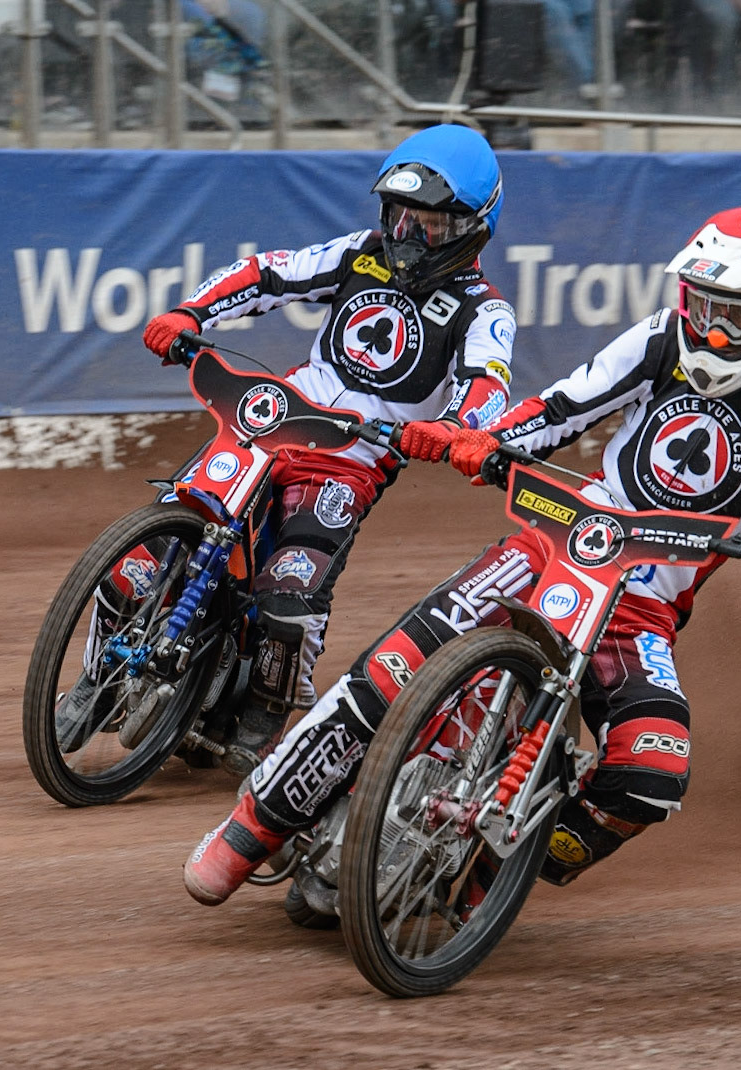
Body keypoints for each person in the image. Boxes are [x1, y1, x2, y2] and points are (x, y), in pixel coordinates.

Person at [182, 204, 741, 909]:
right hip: (554, 543)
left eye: (740, 319)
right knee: (394, 668)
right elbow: (562, 406)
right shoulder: (662, 338)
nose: (714, 332)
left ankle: (489, 875)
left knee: (651, 771)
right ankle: (252, 827)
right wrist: (489, 440)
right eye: (704, 305)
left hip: (640, 611)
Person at [135, 123, 517, 778]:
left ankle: (265, 712)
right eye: (400, 216)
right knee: (152, 545)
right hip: (275, 419)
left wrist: (454, 427)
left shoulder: (484, 308)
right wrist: (191, 313)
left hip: (353, 457)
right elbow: (269, 273)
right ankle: (96, 675)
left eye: (429, 225)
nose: (408, 236)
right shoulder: (359, 252)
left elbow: (488, 384)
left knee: (290, 591)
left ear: (471, 229)